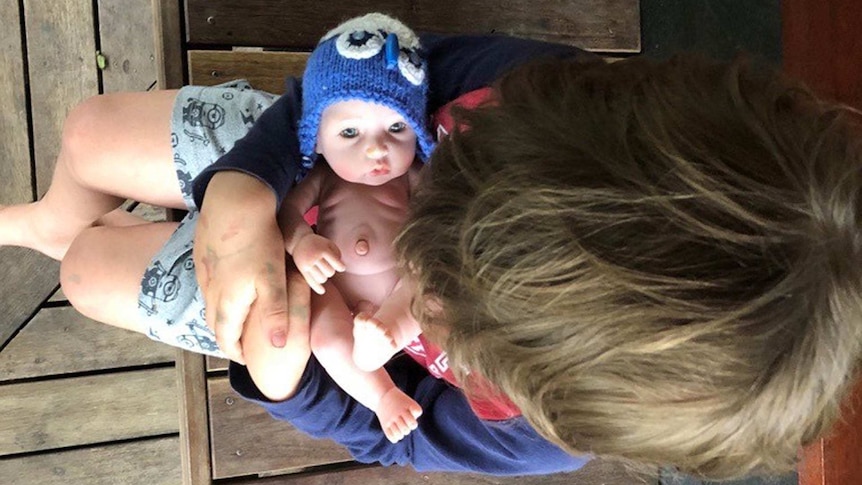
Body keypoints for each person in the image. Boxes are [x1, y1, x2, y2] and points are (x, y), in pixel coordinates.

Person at [1, 24, 860, 482]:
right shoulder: (530, 93)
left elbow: (396, 439)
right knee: (87, 135)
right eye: (451, 203)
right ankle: (45, 219)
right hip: (321, 158)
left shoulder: (532, 435)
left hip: (297, 322)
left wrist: (288, 378)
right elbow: (377, 74)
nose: (418, 278)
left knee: (84, 277)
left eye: (449, 311)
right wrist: (250, 184)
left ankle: (74, 243)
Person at [257, 13, 432, 443]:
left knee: (432, 283)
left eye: (396, 127)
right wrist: (303, 244)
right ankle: (382, 395)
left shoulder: (415, 177)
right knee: (326, 339)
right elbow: (286, 214)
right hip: (334, 289)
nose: (376, 148)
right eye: (350, 132)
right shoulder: (323, 176)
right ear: (317, 138)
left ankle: (392, 331)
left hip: (400, 287)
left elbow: (440, 219)